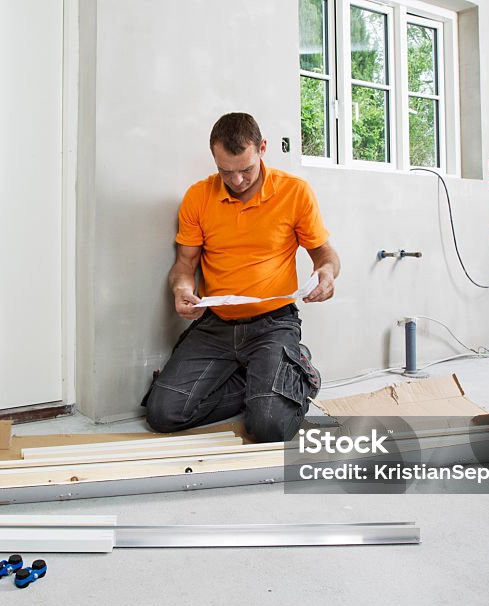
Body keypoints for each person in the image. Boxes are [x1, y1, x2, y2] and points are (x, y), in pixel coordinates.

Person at [143, 113, 341, 442]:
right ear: (214, 158)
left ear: (262, 148)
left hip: (273, 323)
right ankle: (262, 388)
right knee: (162, 414)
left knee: (268, 428)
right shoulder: (198, 196)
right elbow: (183, 264)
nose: (237, 181)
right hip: (216, 324)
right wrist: (182, 289)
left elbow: (325, 254)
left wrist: (326, 273)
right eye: (226, 171)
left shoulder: (295, 192)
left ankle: (298, 376)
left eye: (245, 170)